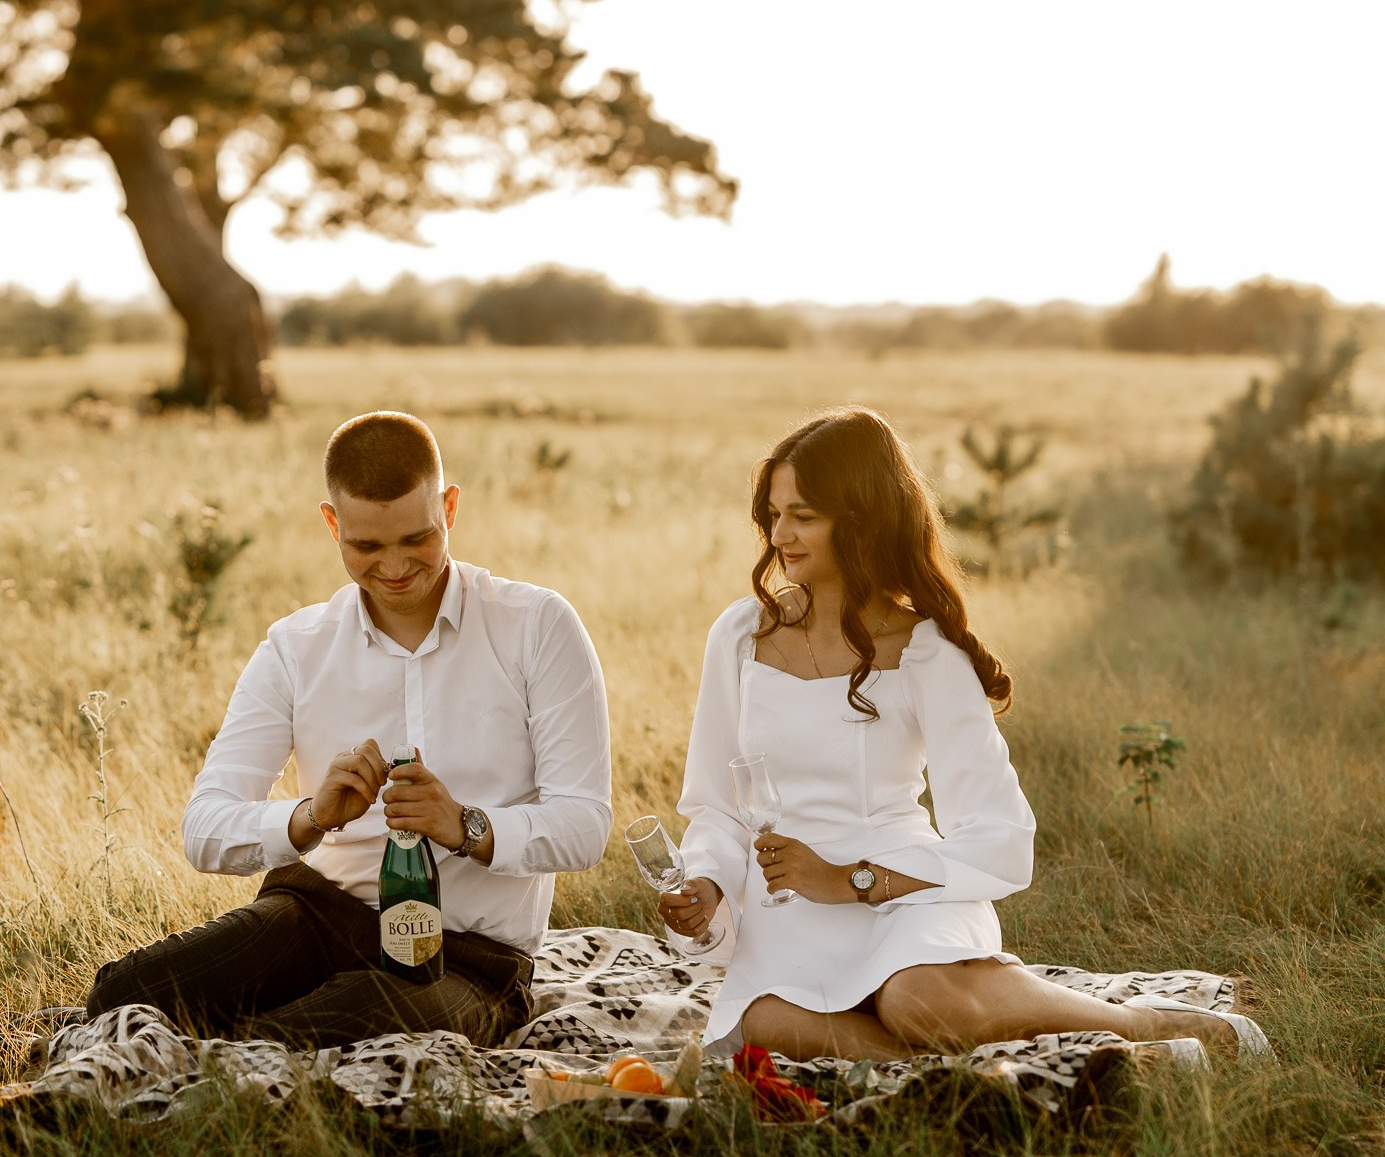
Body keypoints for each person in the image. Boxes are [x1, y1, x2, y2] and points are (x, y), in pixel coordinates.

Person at [656, 407, 1269, 1061]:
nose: (780, 534)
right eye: (773, 513)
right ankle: (975, 1079)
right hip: (787, 912)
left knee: (917, 1001)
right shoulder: (740, 636)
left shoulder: (926, 650)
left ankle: (1136, 1024)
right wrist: (708, 883)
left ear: (860, 517)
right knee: (769, 1026)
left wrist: (849, 879)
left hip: (903, 895)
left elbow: (1000, 840)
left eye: (802, 514)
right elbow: (717, 808)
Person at [87, 411, 613, 1049]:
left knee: (300, 1041)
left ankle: (226, 1067)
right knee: (123, 994)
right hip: (316, 917)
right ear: (332, 524)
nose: (394, 567)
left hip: (470, 958)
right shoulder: (295, 646)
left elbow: (585, 825)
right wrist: (310, 817)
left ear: (449, 508)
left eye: (416, 538)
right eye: (366, 547)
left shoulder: (538, 625)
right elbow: (204, 829)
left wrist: (467, 826)